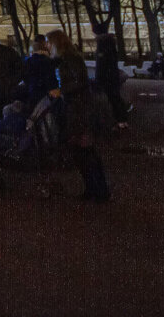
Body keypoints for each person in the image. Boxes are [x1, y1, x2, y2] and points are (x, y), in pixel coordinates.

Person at [47, 29, 110, 203]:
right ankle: (93, 188)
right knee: (82, 151)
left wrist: (61, 91)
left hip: (80, 111)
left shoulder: (70, 60)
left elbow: (79, 82)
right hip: (77, 110)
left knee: (85, 151)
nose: (47, 45)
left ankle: (98, 190)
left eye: (49, 42)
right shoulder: (67, 59)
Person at [94, 32, 130, 129]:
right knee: (116, 98)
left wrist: (98, 79)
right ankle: (122, 119)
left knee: (113, 99)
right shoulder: (111, 49)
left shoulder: (102, 50)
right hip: (112, 78)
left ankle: (119, 120)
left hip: (106, 79)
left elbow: (100, 67)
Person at [21, 34, 58, 105]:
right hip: (48, 93)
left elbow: (25, 76)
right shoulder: (49, 61)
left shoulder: (28, 61)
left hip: (33, 90)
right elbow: (52, 77)